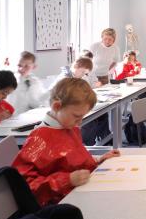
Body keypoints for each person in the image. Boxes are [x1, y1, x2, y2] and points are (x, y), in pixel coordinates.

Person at [12, 78, 120, 206]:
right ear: (57, 106)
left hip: (79, 194)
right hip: (60, 207)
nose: (79, 122)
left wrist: (97, 161)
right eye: (76, 116)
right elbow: (23, 186)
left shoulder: (69, 127)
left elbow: (74, 162)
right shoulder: (39, 140)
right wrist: (66, 180)